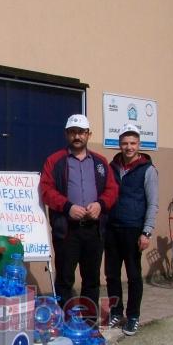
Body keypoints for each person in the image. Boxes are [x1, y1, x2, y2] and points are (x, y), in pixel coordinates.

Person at [39, 114, 118, 322]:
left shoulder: (100, 162)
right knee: (65, 279)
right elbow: (46, 190)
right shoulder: (54, 161)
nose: (77, 136)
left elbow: (112, 189)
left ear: (88, 134)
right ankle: (65, 324)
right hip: (67, 231)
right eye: (73, 132)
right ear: (67, 134)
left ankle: (90, 324)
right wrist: (67, 207)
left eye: (81, 132)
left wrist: (100, 204)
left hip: (94, 230)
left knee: (91, 280)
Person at [105, 123, 159, 336]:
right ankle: (116, 312)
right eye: (125, 143)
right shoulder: (112, 167)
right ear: (119, 144)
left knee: (134, 275)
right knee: (111, 275)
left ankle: (133, 316)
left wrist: (146, 232)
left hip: (134, 229)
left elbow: (153, 203)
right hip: (112, 228)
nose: (129, 147)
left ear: (139, 144)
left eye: (133, 143)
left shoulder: (148, 170)